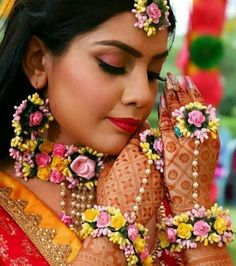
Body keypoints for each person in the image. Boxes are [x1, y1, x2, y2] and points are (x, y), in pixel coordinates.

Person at [0, 1, 234, 265]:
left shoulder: (168, 198)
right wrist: (114, 230)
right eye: (112, 64)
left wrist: (193, 210)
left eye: (152, 74)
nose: (142, 95)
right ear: (37, 62)